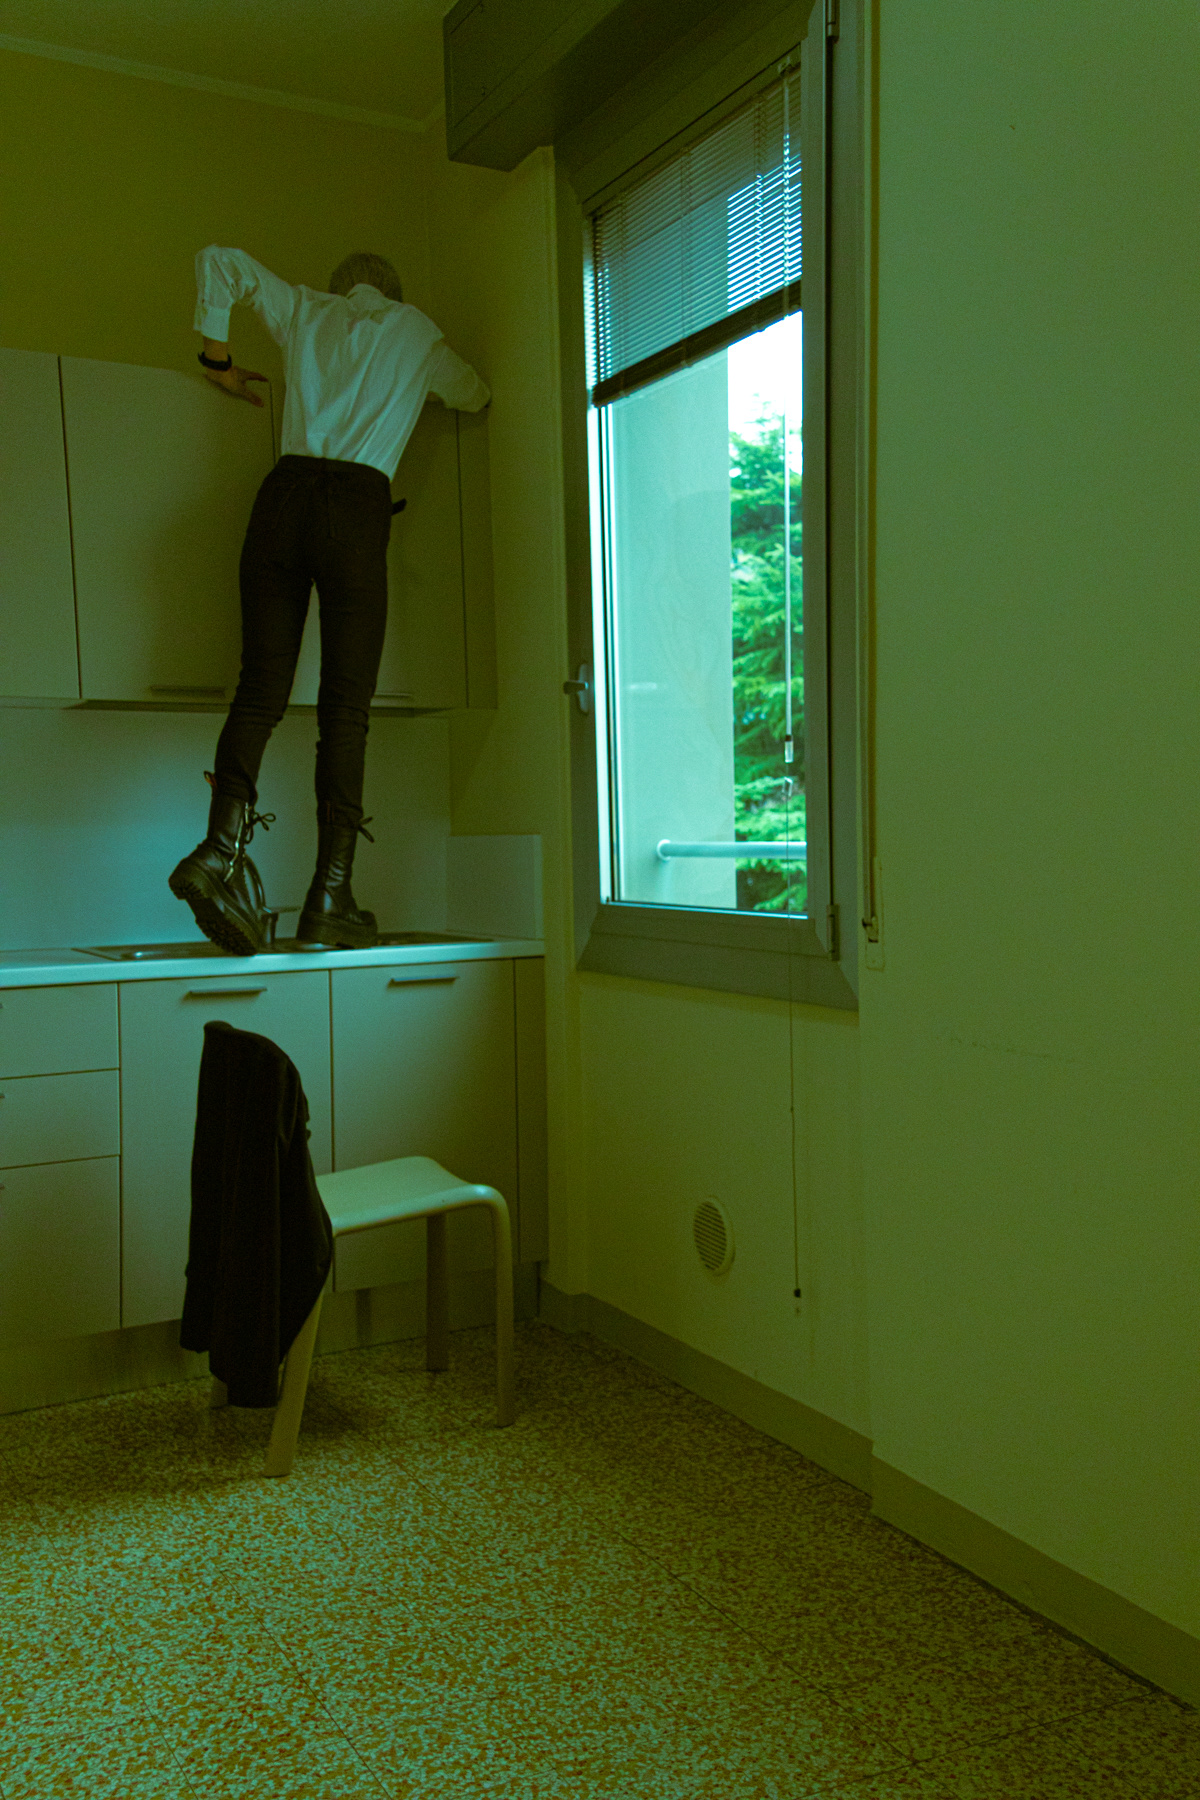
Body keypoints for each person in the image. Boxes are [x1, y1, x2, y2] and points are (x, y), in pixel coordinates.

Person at [168, 247, 489, 955]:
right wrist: (415, 384)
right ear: (393, 294)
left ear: (342, 289)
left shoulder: (305, 308)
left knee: (259, 690)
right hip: (356, 508)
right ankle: (329, 896)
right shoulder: (417, 334)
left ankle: (217, 851)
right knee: (345, 711)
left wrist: (218, 360)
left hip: (281, 500)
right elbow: (474, 393)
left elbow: (221, 260)